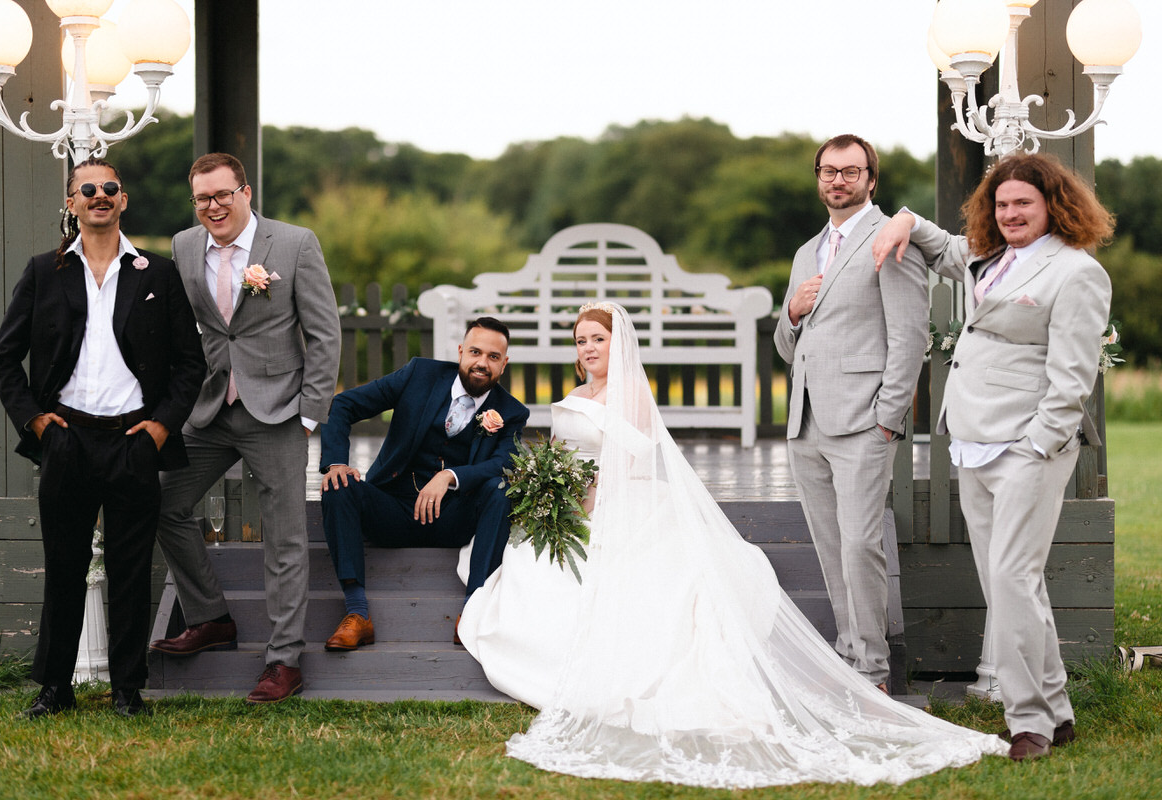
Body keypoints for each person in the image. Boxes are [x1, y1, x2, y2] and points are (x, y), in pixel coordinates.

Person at [458, 302, 1007, 788]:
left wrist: (593, 497)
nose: (588, 348)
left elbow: (632, 457)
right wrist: (555, 487)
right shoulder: (576, 394)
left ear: (616, 343)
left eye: (597, 338)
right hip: (573, 503)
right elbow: (560, 451)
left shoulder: (631, 395)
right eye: (581, 341)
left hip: (618, 500)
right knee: (530, 561)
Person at [871, 153, 1114, 762]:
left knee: (1010, 579)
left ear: (1052, 206)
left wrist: (1039, 443)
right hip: (973, 439)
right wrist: (903, 218)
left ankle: (1027, 718)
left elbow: (1073, 374)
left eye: (1022, 204)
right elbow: (946, 244)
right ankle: (1057, 711)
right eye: (1001, 204)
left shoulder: (1076, 273)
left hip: (1028, 448)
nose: (1010, 214)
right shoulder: (991, 257)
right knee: (1011, 583)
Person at [0, 158, 205, 718]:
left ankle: (127, 690)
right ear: (72, 203)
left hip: (134, 440)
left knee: (132, 571)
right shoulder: (45, 271)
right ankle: (54, 688)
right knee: (63, 568)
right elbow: (5, 358)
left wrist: (160, 427)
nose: (99, 195)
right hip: (67, 439)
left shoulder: (155, 273)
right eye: (87, 189)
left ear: (124, 200)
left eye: (109, 188)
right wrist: (34, 421)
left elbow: (189, 363)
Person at [149, 153, 342, 704]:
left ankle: (283, 662)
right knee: (162, 501)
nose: (213, 207)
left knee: (284, 538)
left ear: (245, 192)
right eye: (202, 198)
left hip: (279, 411)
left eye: (222, 195)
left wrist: (309, 413)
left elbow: (325, 334)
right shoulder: (185, 247)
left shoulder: (295, 243)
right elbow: (187, 330)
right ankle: (211, 616)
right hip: (208, 411)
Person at [773, 134, 928, 692]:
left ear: (871, 180)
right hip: (806, 422)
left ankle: (873, 667)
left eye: (850, 171)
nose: (838, 180)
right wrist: (791, 311)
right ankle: (848, 651)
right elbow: (789, 347)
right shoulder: (805, 253)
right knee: (830, 541)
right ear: (818, 178)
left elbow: (909, 337)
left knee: (861, 541)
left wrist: (888, 417)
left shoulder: (889, 240)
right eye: (828, 171)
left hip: (865, 421)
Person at [318, 317, 529, 650]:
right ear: (461, 351)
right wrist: (337, 463)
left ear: (504, 364)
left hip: (453, 520)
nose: (481, 363)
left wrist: (450, 476)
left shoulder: (511, 412)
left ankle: (472, 610)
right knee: (338, 484)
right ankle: (357, 613)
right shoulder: (420, 374)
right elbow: (343, 404)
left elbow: (502, 462)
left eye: (492, 357)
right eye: (475, 352)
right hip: (393, 509)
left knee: (500, 488)